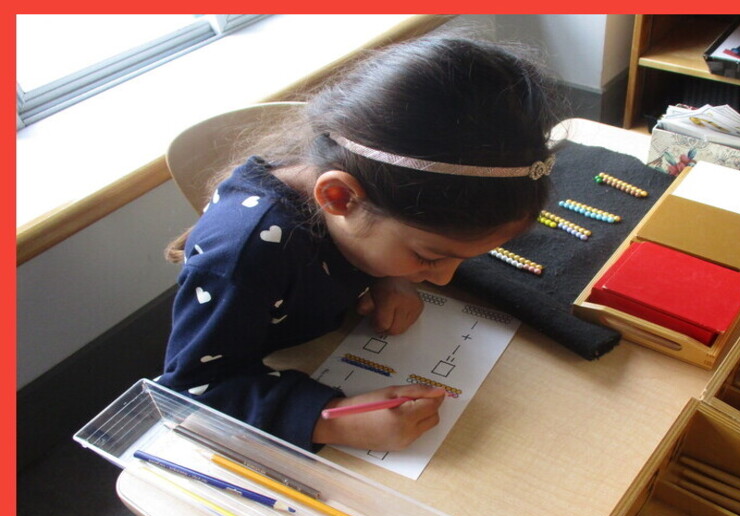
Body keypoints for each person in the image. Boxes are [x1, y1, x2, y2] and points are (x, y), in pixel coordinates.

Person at [159, 36, 560, 453]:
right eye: (429, 257)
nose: (442, 280)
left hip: (322, 343)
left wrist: (393, 278)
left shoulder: (365, 202)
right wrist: (332, 422)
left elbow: (368, 238)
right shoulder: (242, 258)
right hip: (264, 361)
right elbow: (188, 393)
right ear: (338, 198)